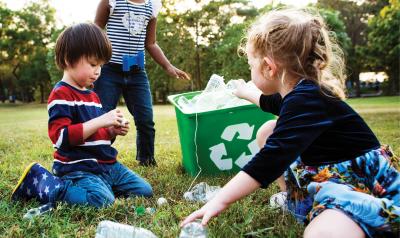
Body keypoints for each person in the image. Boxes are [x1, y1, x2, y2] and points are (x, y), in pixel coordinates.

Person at [181, 9, 400, 238]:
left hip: (360, 183)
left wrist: (220, 200)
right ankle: (292, 198)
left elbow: (271, 159)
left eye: (250, 65)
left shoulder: (306, 98)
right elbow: (269, 102)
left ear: (268, 67)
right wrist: (245, 92)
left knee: (323, 233)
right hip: (330, 172)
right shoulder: (299, 92)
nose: (250, 70)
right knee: (268, 130)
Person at [11, 23, 153, 208]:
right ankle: (53, 186)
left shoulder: (93, 96)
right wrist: (101, 120)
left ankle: (102, 186)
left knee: (144, 190)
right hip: (78, 168)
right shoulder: (61, 94)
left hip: (106, 165)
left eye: (101, 65)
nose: (98, 71)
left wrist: (111, 130)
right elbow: (61, 138)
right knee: (101, 201)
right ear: (69, 59)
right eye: (93, 64)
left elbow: (95, 135)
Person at [94, 0, 190, 166]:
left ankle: (146, 159)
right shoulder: (112, 2)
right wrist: (92, 64)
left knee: (145, 119)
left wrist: (168, 66)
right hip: (109, 70)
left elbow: (151, 43)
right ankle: (99, 158)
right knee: (103, 117)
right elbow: (95, 31)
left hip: (137, 73)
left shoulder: (151, 6)